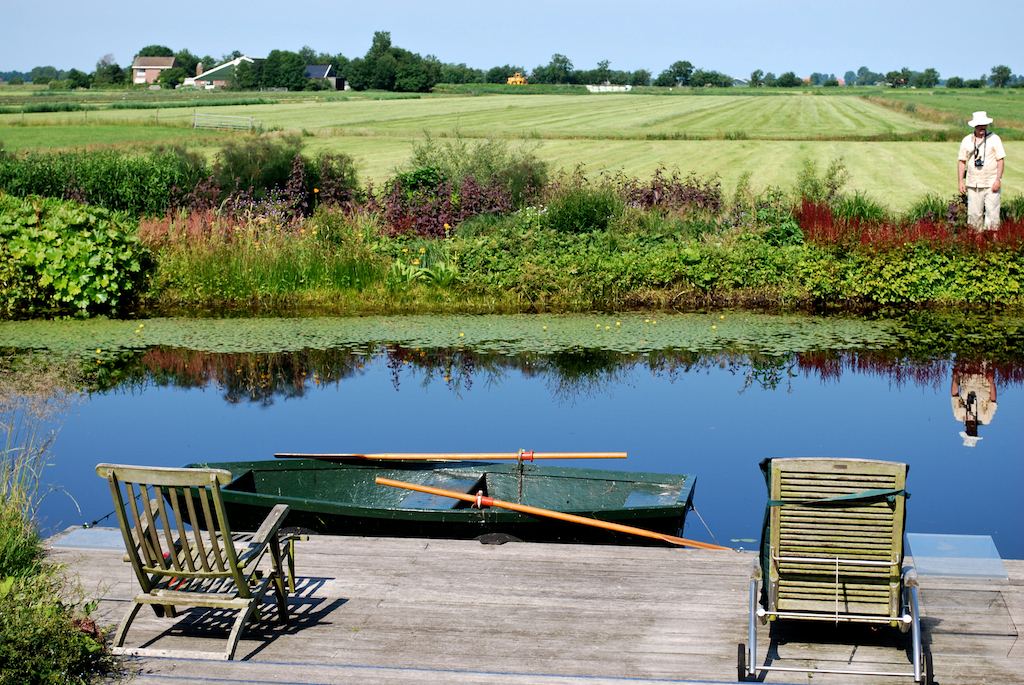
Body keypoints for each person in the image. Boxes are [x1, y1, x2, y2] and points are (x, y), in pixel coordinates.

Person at [958, 111, 1006, 234]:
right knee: (974, 215)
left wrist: (998, 180)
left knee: (993, 214)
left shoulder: (994, 139)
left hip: (991, 183)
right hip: (973, 183)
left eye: (984, 125)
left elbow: (1000, 160)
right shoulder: (967, 140)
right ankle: (977, 244)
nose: (982, 127)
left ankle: (993, 241)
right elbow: (962, 161)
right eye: (980, 125)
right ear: (975, 126)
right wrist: (960, 182)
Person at [951, 361, 997, 447]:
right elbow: (993, 401)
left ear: (966, 430)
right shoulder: (986, 419)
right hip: (984, 372)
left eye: (970, 432)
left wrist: (954, 378)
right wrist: (991, 381)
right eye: (974, 433)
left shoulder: (959, 415)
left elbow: (955, 395)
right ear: (976, 432)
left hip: (967, 372)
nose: (972, 430)